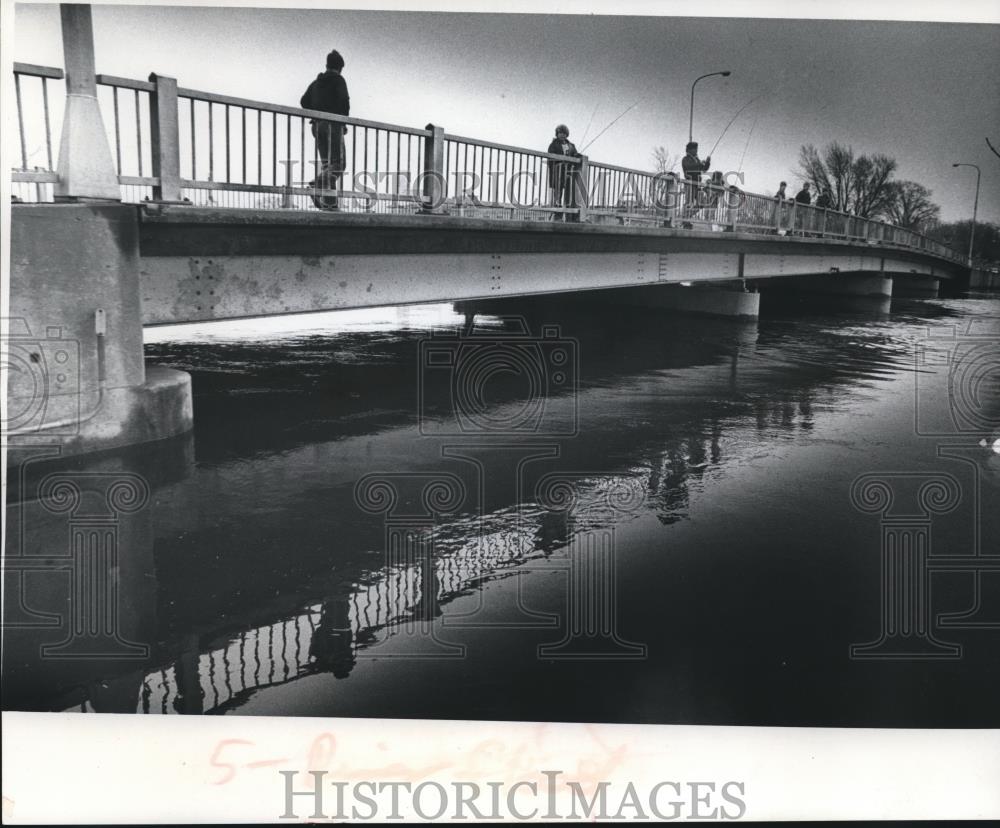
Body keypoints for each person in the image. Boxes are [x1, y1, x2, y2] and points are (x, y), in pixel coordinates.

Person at [301, 49, 350, 209]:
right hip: (332, 125)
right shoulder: (338, 80)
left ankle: (331, 205)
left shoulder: (316, 83)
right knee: (339, 164)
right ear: (340, 67)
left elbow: (303, 101)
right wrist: (342, 121)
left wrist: (317, 110)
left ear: (327, 65)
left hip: (316, 126)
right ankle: (317, 185)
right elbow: (344, 101)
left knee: (328, 166)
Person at [547, 124, 580, 219]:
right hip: (557, 171)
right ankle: (557, 205)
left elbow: (575, 154)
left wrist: (577, 156)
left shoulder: (571, 145)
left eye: (564, 133)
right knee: (558, 188)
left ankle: (568, 206)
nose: (562, 135)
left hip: (569, 171)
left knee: (569, 188)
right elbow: (550, 157)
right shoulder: (553, 144)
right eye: (560, 133)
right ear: (557, 134)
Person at [681, 141, 711, 224]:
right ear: (689, 150)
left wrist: (707, 162)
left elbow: (704, 169)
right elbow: (689, 168)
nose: (696, 151)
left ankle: (685, 217)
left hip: (697, 184)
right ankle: (685, 220)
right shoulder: (685, 159)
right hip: (689, 184)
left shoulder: (697, 159)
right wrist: (699, 164)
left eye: (696, 149)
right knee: (689, 203)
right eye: (695, 149)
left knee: (701, 203)